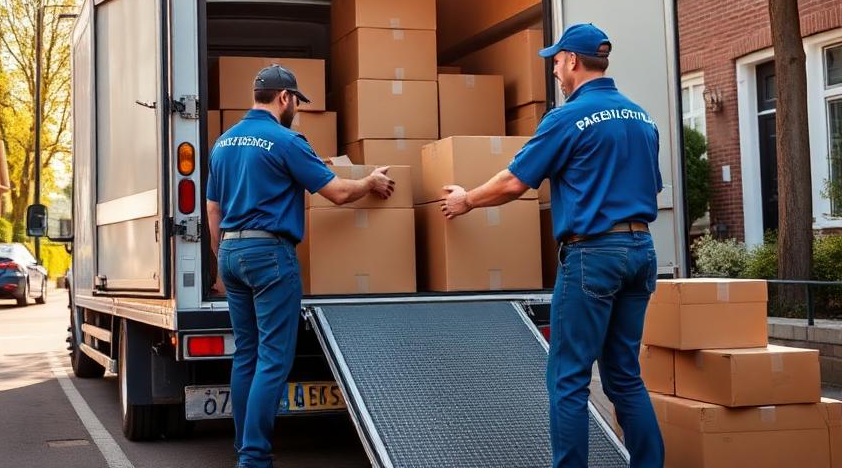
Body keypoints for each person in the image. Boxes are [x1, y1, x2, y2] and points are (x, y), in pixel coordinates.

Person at [440, 24, 664, 467]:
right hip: (642, 252)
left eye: (557, 61)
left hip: (594, 256)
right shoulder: (643, 117)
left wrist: (466, 199)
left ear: (574, 61)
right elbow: (650, 187)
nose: (556, 70)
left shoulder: (567, 118)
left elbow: (513, 182)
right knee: (624, 377)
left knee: (568, 379)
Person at [206, 64, 394, 468]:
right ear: (284, 98)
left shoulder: (223, 143)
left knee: (247, 355)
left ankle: (244, 447)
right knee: (274, 358)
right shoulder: (286, 141)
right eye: (296, 102)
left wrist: (219, 262)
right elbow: (339, 193)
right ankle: (254, 458)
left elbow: (213, 208)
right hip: (269, 256)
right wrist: (370, 183)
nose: (296, 109)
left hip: (232, 254)